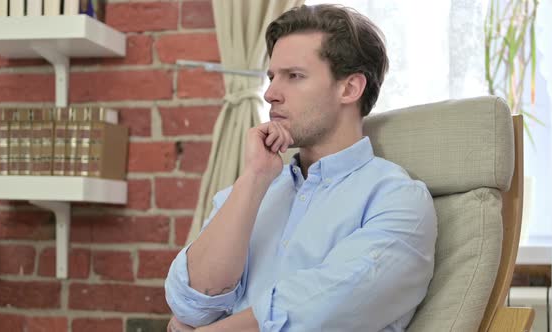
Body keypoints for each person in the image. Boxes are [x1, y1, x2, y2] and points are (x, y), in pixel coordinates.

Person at [165, 4, 437, 332]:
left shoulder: (398, 200)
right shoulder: (253, 188)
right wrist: (253, 178)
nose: (270, 94)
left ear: (350, 88)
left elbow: (324, 310)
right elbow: (190, 304)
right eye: (271, 77)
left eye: (293, 76)